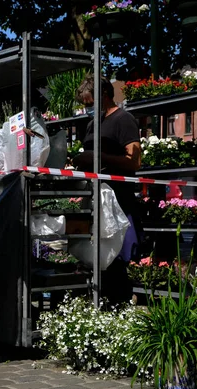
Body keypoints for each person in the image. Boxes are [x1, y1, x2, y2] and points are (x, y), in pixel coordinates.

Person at [73, 74, 143, 304]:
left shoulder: (124, 120)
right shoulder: (94, 123)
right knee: (98, 254)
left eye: (89, 103)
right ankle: (102, 301)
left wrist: (99, 157)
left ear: (103, 96)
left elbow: (134, 161)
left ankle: (119, 301)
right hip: (96, 195)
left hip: (117, 197)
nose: (88, 109)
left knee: (116, 254)